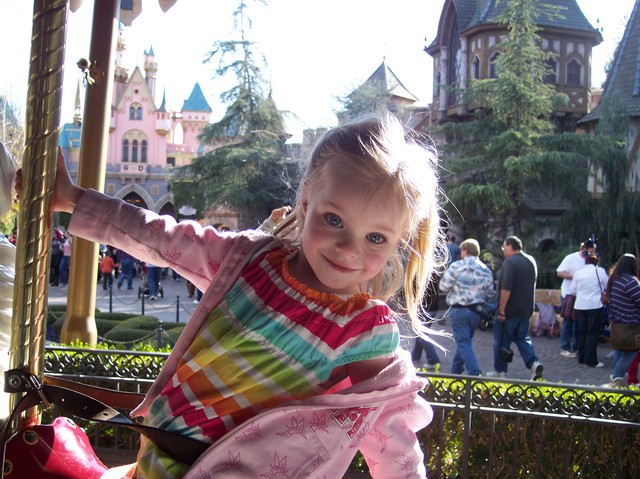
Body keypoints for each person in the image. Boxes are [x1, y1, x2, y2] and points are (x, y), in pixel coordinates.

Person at [21, 115, 444, 478]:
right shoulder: (250, 260)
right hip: (161, 455)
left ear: (398, 242)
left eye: (375, 237)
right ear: (306, 199)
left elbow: (391, 437)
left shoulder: (363, 332)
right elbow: (158, 236)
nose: (349, 248)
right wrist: (73, 199)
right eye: (334, 219)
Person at [487, 236, 544, 380]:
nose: (503, 249)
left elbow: (506, 288)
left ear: (511, 246)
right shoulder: (531, 261)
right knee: (522, 338)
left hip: (509, 310)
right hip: (526, 309)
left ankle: (500, 371)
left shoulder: (510, 263)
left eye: (504, 246)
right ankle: (533, 363)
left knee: (501, 341)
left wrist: (501, 310)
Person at [439, 238, 494, 376]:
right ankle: (456, 371)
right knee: (465, 342)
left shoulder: (457, 266)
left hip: (459, 309)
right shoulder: (485, 269)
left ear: (465, 251)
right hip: (476, 311)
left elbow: (443, 286)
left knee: (463, 342)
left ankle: (474, 373)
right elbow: (490, 293)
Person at [556, 239, 597, 357]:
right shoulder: (571, 258)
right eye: (589, 252)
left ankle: (576, 347)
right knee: (568, 321)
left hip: (582, 296)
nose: (591, 254)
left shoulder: (591, 261)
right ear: (583, 249)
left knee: (579, 323)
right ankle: (565, 347)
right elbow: (559, 272)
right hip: (569, 294)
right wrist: (575, 276)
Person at [605, 253, 640, 388]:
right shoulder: (630, 282)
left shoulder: (614, 280)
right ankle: (616, 379)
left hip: (617, 324)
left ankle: (617, 381)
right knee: (631, 352)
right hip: (631, 325)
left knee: (619, 352)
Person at [570, 253, 608, 368]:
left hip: (580, 306)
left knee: (582, 333)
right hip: (595, 305)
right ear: (596, 262)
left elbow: (572, 290)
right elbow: (607, 285)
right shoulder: (599, 271)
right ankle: (591, 360)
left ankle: (581, 358)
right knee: (592, 333)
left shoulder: (578, 273)